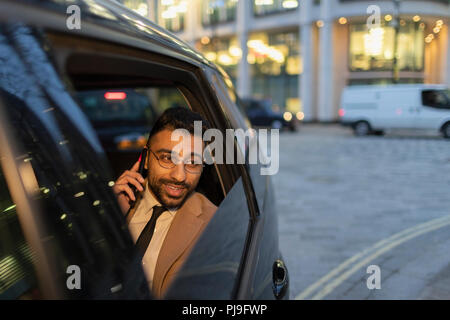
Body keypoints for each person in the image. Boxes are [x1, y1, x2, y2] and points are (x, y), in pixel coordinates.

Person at [112, 107, 217, 298]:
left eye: (193, 162)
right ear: (145, 160)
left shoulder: (214, 224)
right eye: (167, 158)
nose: (179, 176)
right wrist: (109, 216)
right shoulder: (118, 202)